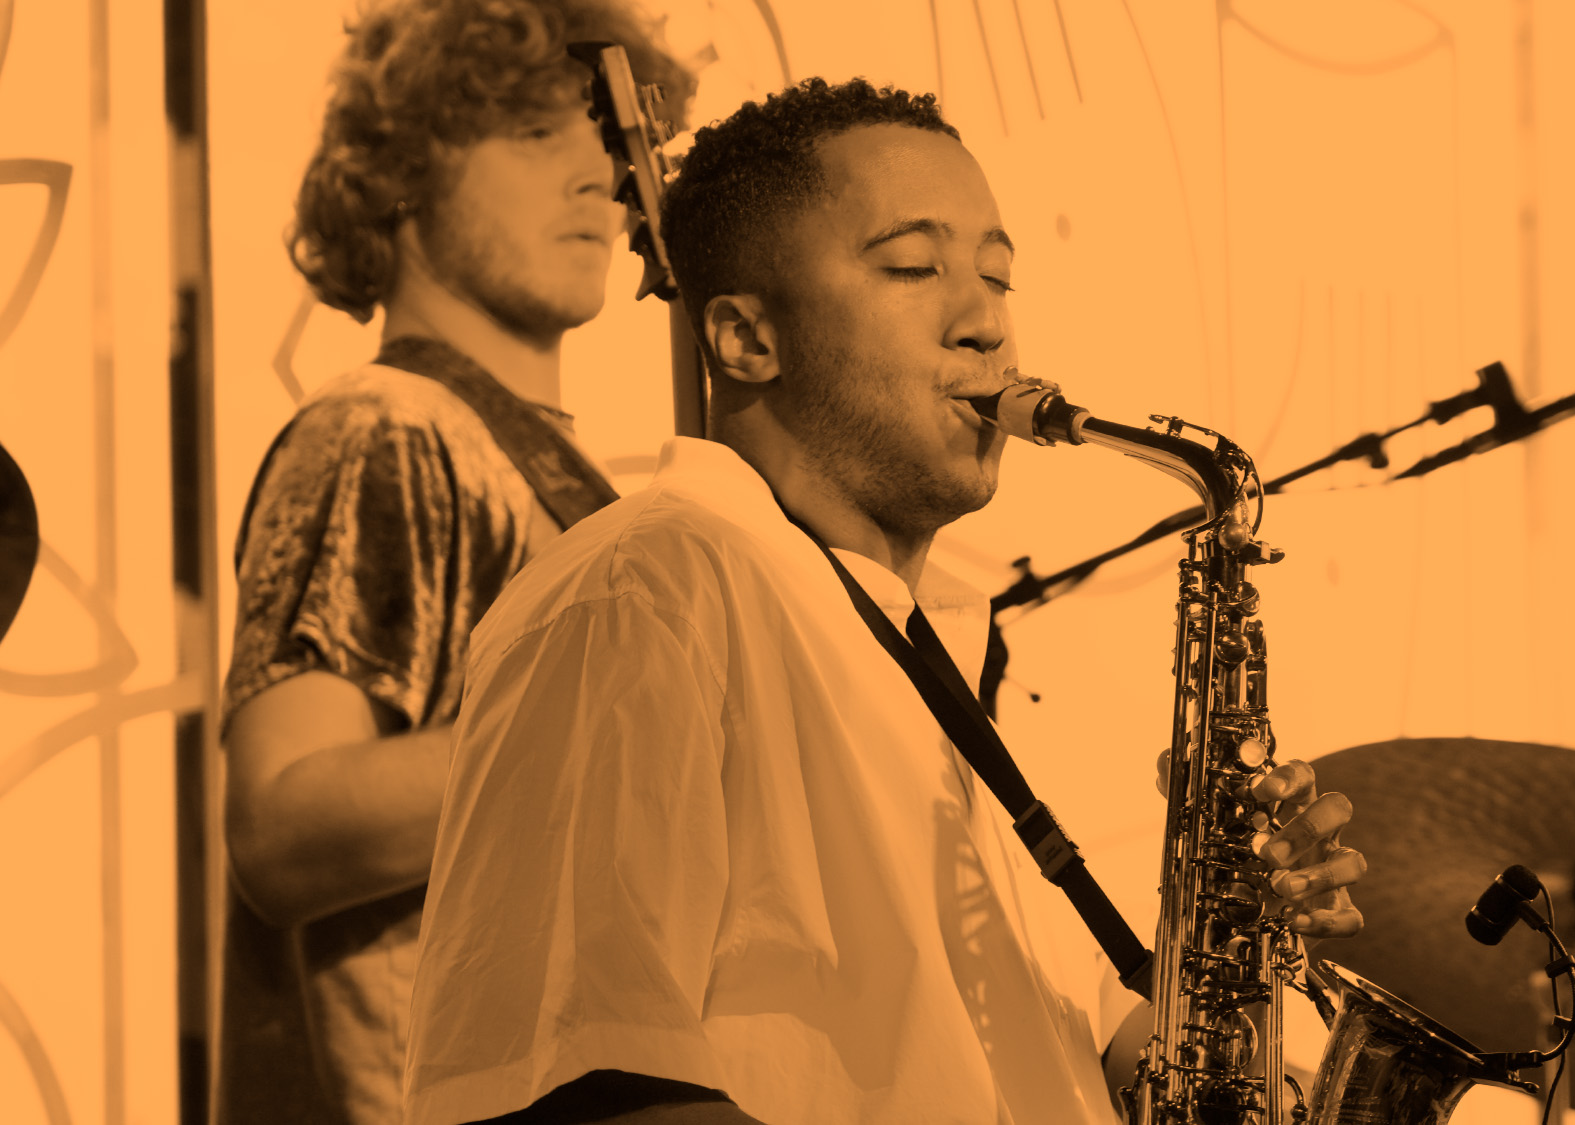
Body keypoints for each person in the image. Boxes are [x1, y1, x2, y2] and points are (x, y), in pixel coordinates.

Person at [399, 77, 1367, 1125]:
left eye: (998, 275)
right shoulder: (643, 591)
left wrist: (1221, 986)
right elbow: (578, 1086)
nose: (986, 324)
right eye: (912, 267)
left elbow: (1083, 1059)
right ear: (745, 339)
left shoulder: (924, 649)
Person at [218, 3, 691, 1122]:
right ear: (402, 172)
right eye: (534, 133)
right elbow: (282, 827)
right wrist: (628, 719)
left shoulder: (538, 466)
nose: (597, 177)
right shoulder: (386, 428)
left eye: (606, 140)